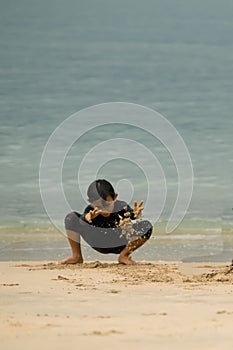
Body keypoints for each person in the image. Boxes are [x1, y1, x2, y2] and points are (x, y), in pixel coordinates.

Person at [58, 179, 153, 265]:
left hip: (119, 242)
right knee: (71, 217)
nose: (104, 209)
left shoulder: (121, 206)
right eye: (98, 206)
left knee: (147, 226)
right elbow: (81, 222)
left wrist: (136, 214)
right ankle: (76, 256)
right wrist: (86, 218)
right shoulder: (91, 211)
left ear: (115, 197)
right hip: (97, 241)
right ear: (91, 202)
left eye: (106, 204)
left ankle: (124, 256)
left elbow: (132, 216)